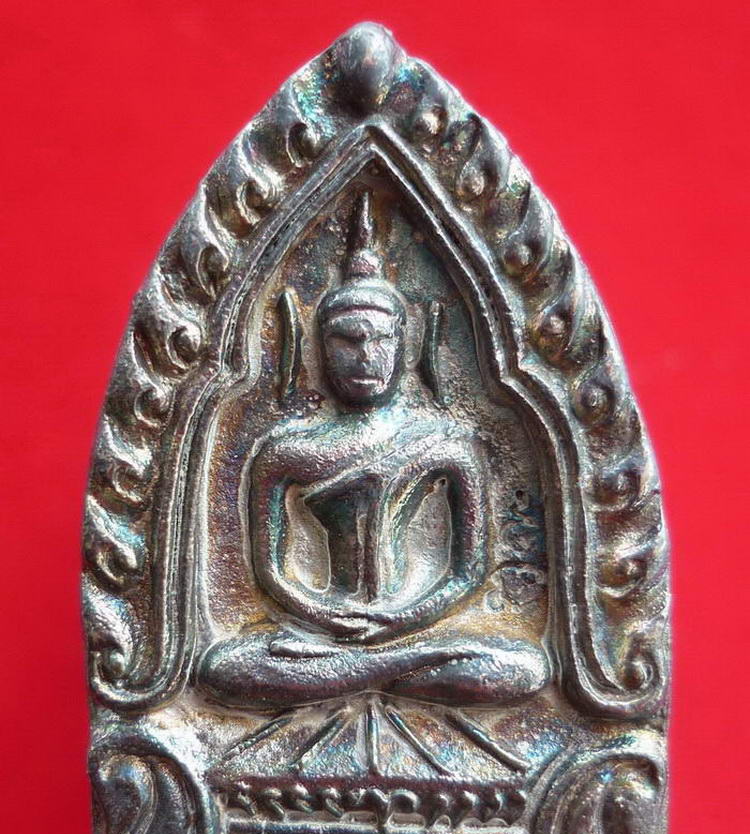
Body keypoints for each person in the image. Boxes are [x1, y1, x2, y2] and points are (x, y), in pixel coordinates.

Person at [197, 193, 550, 710]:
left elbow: (467, 573)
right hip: (324, 635)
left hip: (413, 629)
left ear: (404, 345)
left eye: (379, 340)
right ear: (320, 348)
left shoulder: (446, 445)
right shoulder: (286, 452)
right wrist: (322, 616)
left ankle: (363, 673)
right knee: (224, 669)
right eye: (346, 341)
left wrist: (401, 619)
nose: (365, 356)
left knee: (524, 667)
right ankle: (382, 672)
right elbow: (271, 573)